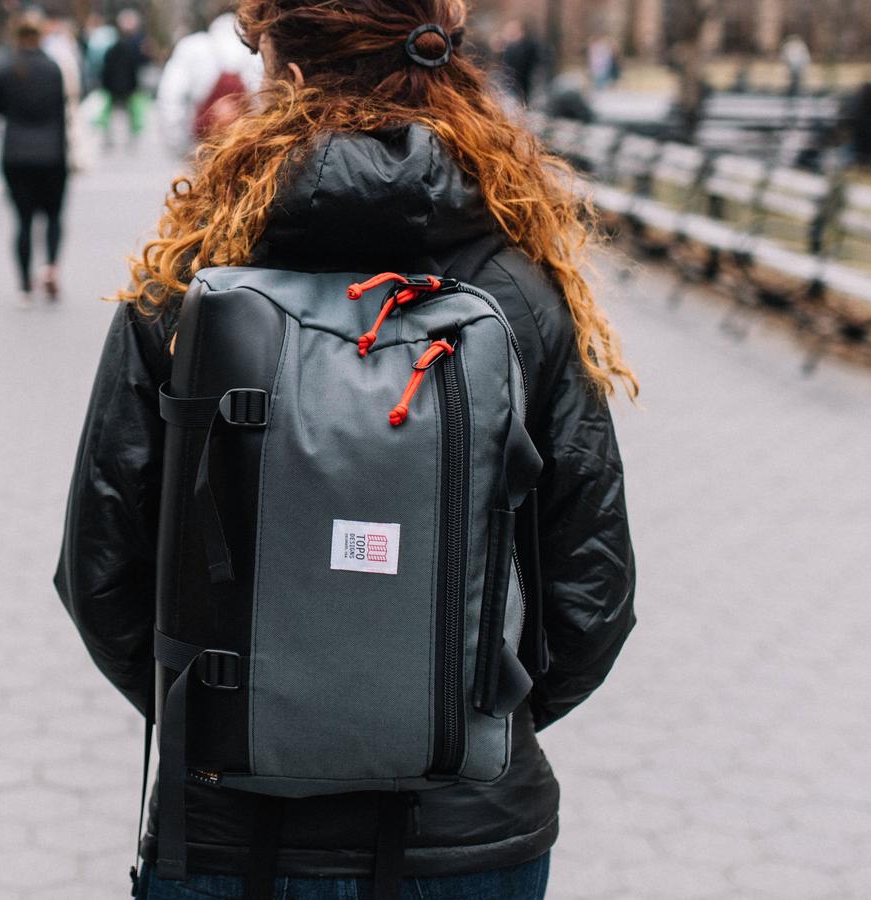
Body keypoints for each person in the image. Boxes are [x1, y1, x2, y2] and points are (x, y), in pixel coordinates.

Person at [54, 1, 638, 898]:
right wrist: (464, 711)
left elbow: (101, 572)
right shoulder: (519, 288)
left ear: (278, 61)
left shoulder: (190, 274)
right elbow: (591, 591)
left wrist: (227, 711)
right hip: (470, 841)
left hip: (223, 833)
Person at [0, 11, 67, 305]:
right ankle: (51, 267)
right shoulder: (52, 68)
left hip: (16, 153)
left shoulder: (4, 68)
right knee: (54, 215)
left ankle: (24, 285)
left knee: (23, 220)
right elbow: (62, 110)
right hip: (52, 153)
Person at [156, 1, 264, 156]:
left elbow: (170, 97)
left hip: (203, 147)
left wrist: (179, 147)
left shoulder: (192, 47)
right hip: (246, 150)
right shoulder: (258, 50)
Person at [100, 8, 146, 149]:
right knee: (129, 114)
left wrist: (105, 85)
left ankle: (110, 138)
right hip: (127, 86)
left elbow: (105, 69)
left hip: (114, 86)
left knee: (111, 114)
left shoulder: (111, 50)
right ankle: (130, 138)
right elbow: (135, 69)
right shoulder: (132, 50)